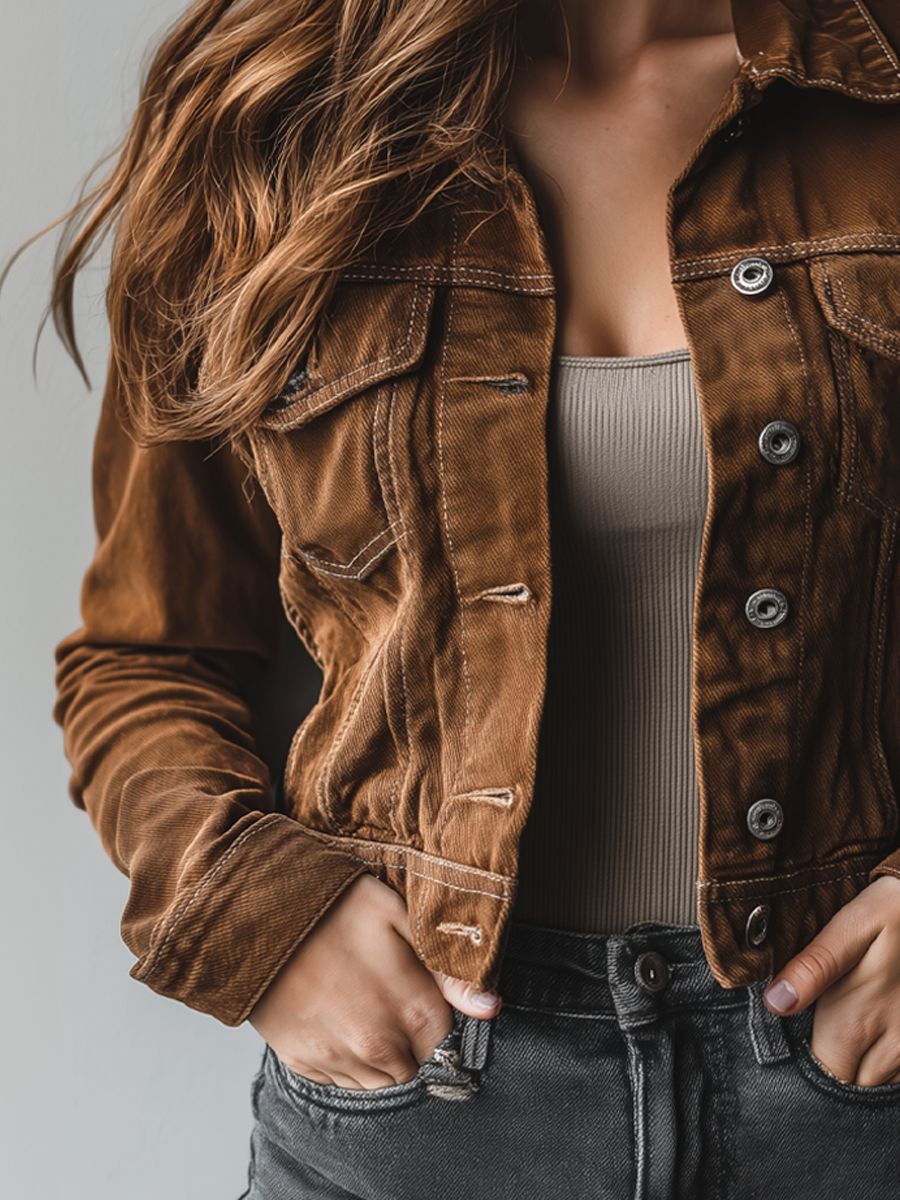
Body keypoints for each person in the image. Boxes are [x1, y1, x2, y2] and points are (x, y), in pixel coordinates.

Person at [35, 0, 900, 1194]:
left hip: (854, 1093)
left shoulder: (879, 101)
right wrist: (264, 922)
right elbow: (146, 653)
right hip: (425, 1101)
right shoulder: (273, 120)